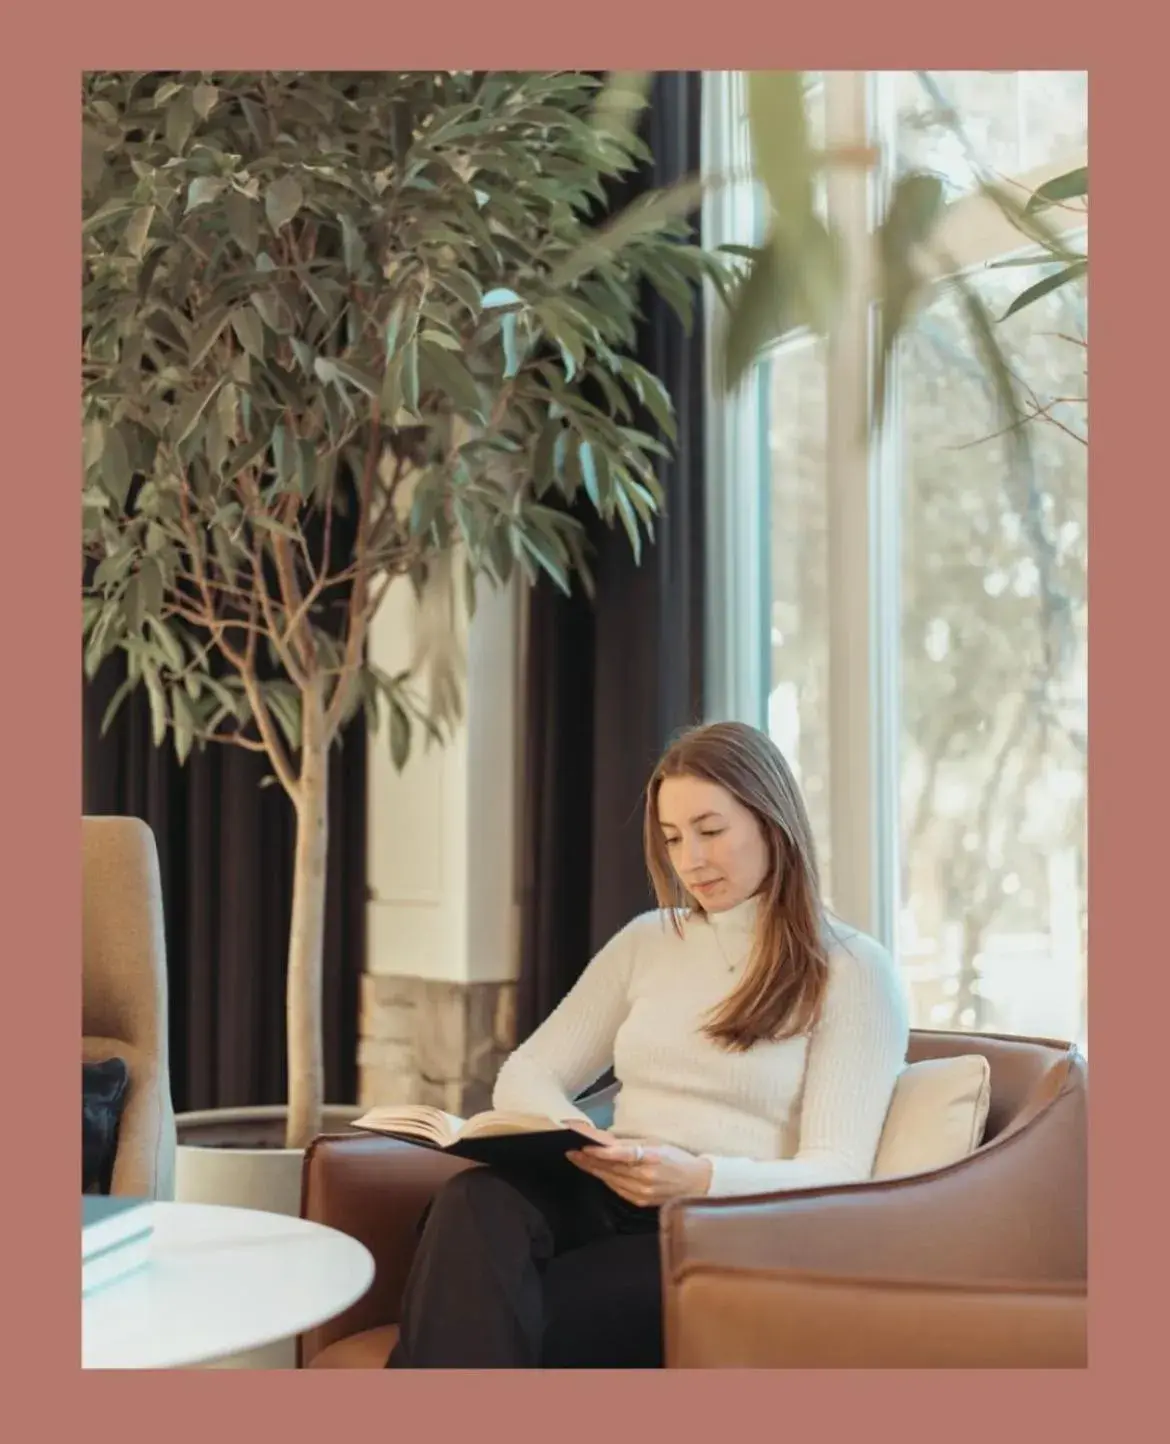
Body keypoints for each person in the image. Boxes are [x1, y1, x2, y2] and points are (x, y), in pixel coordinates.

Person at [385, 721, 910, 1369]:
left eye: (711, 831)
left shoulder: (853, 969)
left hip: (717, 1228)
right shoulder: (648, 940)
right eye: (672, 839)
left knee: (489, 1305)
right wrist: (571, 1133)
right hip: (606, 1193)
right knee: (473, 1200)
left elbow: (839, 1173)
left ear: (772, 820)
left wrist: (702, 1178)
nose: (690, 860)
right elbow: (530, 1069)